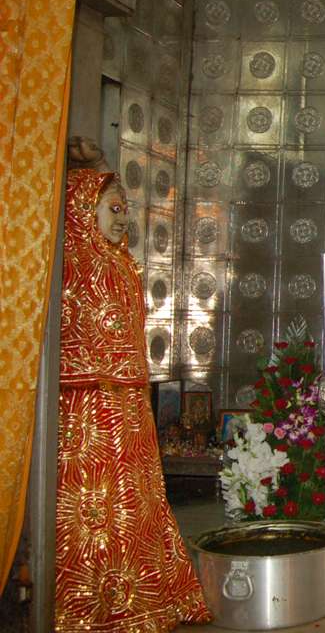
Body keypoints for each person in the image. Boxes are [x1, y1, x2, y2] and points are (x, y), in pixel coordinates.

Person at [55, 168, 210, 631]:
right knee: (93, 506)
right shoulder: (69, 266)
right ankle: (92, 606)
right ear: (83, 211)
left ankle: (147, 598)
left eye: (125, 209)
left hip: (128, 406)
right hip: (85, 410)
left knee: (137, 500)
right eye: (113, 208)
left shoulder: (124, 264)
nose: (123, 218)